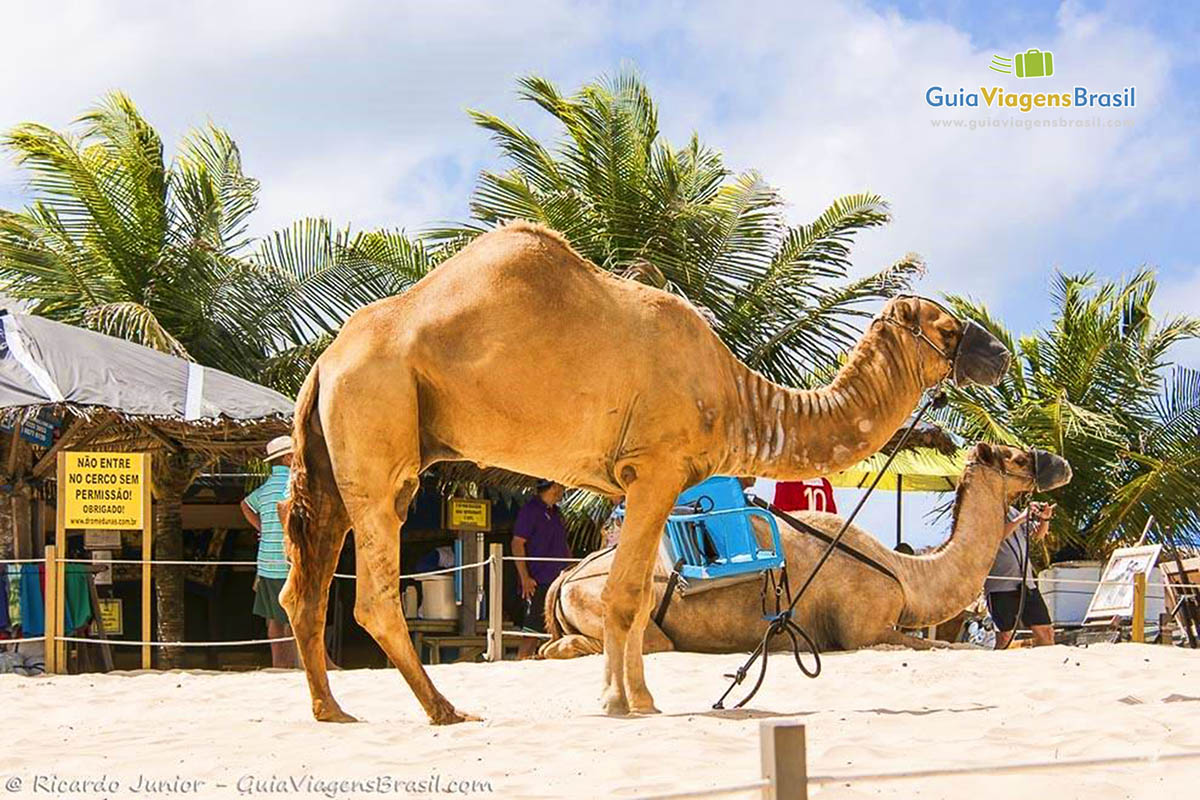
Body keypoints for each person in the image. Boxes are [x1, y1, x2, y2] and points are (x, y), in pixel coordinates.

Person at [512, 479, 571, 658]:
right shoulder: (531, 510)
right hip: (539, 580)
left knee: (555, 632)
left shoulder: (556, 512)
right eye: (561, 486)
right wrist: (525, 578)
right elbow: (517, 543)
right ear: (554, 486)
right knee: (532, 632)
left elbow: (562, 544)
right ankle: (520, 664)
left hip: (559, 579)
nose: (563, 490)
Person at [986, 501, 1056, 648]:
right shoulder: (985, 511)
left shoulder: (1013, 511)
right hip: (1000, 586)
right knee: (1005, 637)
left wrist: (1045, 519)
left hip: (1027, 583)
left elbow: (1038, 536)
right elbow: (992, 539)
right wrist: (1020, 519)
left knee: (1046, 631)